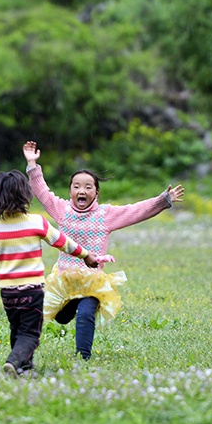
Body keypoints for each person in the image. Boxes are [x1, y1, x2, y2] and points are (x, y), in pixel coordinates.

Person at [23, 140, 185, 360]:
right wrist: (32, 164)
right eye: (77, 186)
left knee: (86, 313)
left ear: (96, 193)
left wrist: (163, 200)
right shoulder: (62, 210)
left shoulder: (105, 215)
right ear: (70, 191)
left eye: (88, 187)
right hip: (65, 280)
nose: (82, 190)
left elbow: (136, 211)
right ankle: (70, 305)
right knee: (61, 318)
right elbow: (42, 192)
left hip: (92, 281)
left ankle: (83, 358)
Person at [0, 169, 103, 378]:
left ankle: (23, 368)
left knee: (17, 328)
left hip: (7, 292)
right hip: (32, 290)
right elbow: (63, 242)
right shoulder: (37, 222)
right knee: (30, 334)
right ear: (25, 195)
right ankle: (14, 361)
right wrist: (86, 255)